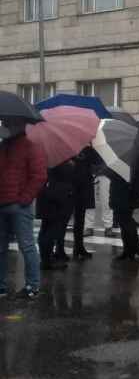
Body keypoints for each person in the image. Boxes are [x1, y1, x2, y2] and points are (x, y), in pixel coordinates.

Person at [0, 122, 47, 299]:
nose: (5, 126)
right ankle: (1, 286)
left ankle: (32, 286)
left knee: (26, 246)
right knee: (1, 248)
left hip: (19, 205)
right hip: (3, 203)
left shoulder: (31, 145)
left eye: (7, 124)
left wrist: (25, 199)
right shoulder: (3, 146)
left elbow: (39, 175)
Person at [37, 159, 75, 270]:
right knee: (51, 230)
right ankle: (47, 260)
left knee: (45, 228)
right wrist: (70, 165)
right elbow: (65, 173)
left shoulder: (43, 155)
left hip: (46, 193)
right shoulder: (58, 158)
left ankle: (46, 258)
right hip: (57, 196)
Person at [67, 149, 97, 260]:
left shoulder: (87, 149)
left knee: (80, 218)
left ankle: (79, 246)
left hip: (84, 186)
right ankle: (59, 249)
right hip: (70, 186)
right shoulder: (66, 148)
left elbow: (96, 161)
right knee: (64, 219)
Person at [109, 171, 139, 261]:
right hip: (124, 196)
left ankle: (132, 249)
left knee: (126, 222)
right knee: (125, 223)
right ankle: (129, 249)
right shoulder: (133, 164)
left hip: (124, 196)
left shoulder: (129, 167)